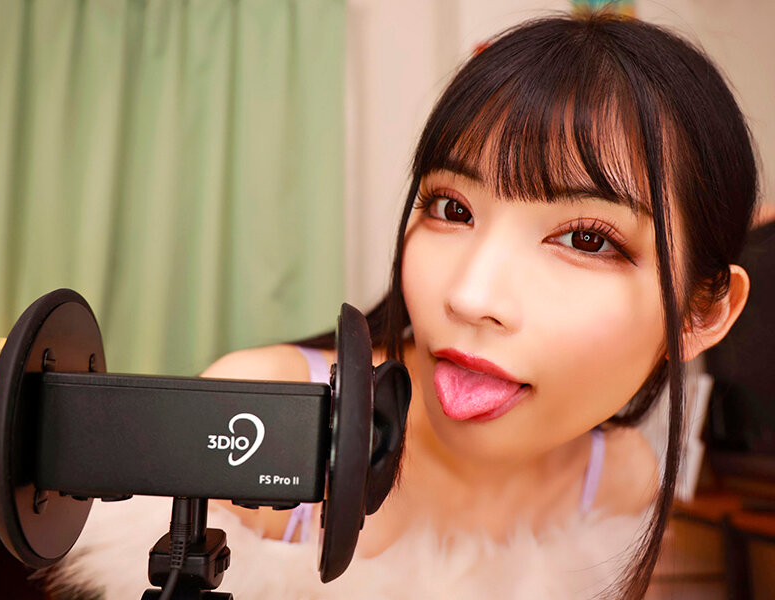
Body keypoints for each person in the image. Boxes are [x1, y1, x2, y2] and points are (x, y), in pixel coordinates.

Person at [52, 10, 756, 600]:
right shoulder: (268, 412)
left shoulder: (619, 480)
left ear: (702, 314)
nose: (470, 296)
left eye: (585, 239)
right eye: (451, 207)